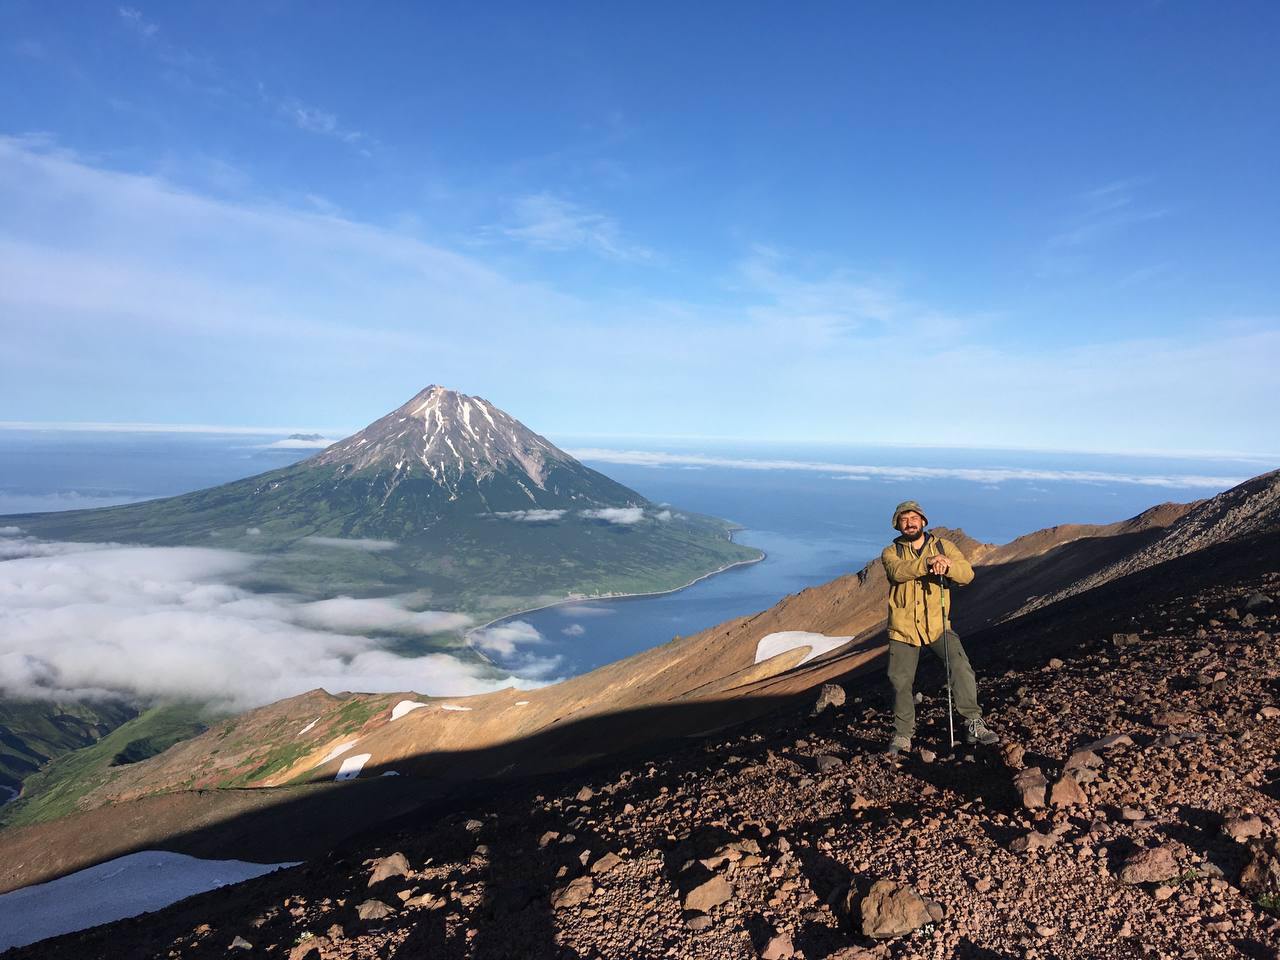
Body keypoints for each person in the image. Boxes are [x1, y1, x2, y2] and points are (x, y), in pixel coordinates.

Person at [881, 500, 998, 755]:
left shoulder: (945, 547)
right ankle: (902, 735)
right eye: (904, 519)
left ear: (923, 521)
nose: (910, 522)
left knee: (960, 666)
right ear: (897, 525)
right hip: (904, 629)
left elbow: (967, 575)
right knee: (900, 681)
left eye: (914, 518)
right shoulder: (891, 553)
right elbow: (897, 573)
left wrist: (949, 566)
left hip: (937, 625)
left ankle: (973, 722)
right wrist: (927, 564)